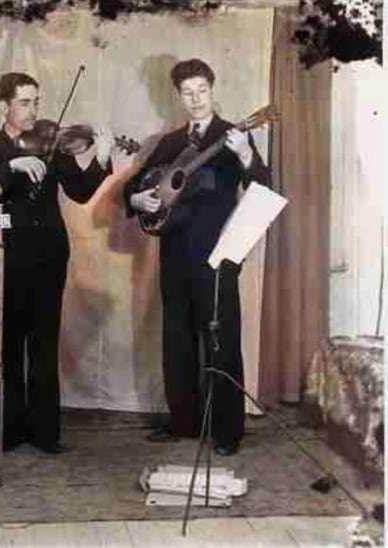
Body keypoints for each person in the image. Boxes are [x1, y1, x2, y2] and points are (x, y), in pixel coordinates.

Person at [122, 58, 271, 456]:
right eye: (188, 93)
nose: (196, 99)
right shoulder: (170, 142)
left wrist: (245, 158)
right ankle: (182, 422)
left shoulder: (235, 135)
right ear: (179, 96)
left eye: (202, 90)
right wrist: (137, 198)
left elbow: (261, 185)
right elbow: (137, 188)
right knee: (177, 337)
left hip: (217, 254)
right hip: (172, 253)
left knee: (221, 339)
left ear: (212, 89)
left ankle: (227, 431)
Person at [0, 72, 114, 453]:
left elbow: (81, 192)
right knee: (10, 343)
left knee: (45, 342)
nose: (34, 110)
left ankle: (46, 432)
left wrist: (101, 158)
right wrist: (12, 167)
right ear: (4, 106)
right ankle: (12, 429)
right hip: (8, 256)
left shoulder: (51, 143)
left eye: (36, 101)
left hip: (50, 255)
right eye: (25, 102)